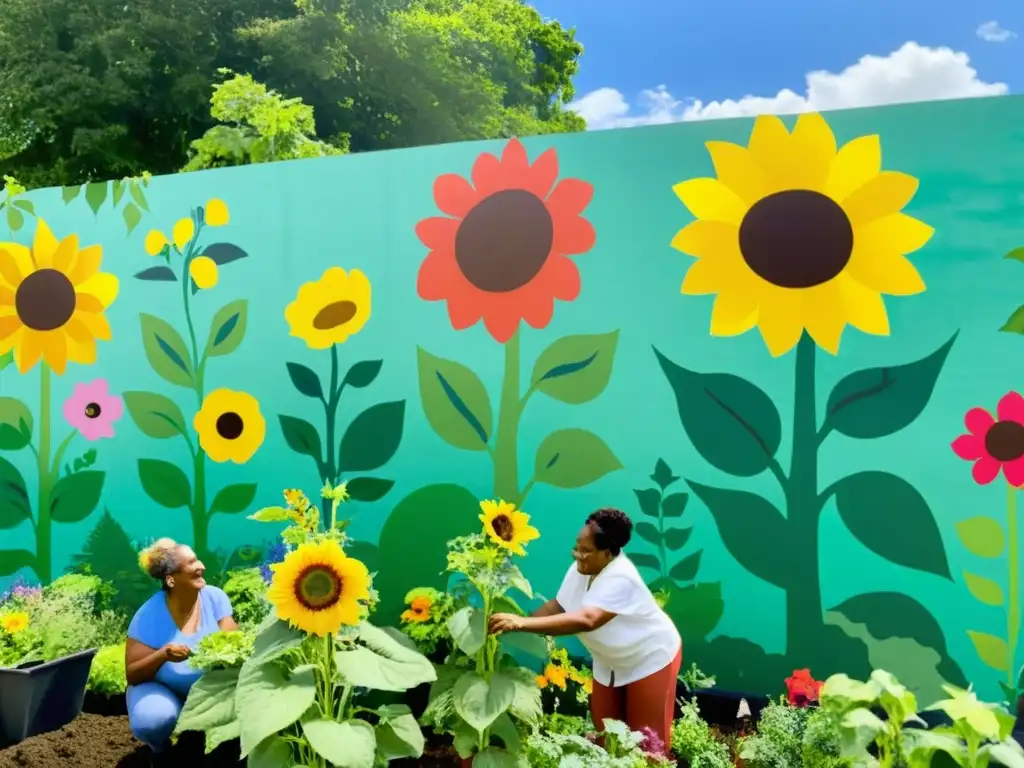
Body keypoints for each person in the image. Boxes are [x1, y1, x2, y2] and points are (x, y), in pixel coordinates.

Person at [489, 508, 682, 750]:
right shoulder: (583, 569)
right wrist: (513, 623)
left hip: (649, 658)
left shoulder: (622, 577)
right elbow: (558, 606)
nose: (577, 555)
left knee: (648, 746)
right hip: (609, 660)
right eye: (577, 547)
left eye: (586, 550)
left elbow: (587, 619)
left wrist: (521, 624)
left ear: (608, 553)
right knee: (605, 741)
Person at [125, 538, 237, 752]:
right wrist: (163, 655)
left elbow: (234, 639)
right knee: (154, 719)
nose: (201, 567)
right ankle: (160, 754)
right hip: (166, 690)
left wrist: (225, 647)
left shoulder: (215, 598)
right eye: (192, 563)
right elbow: (133, 674)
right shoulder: (147, 616)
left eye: (198, 560)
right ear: (171, 580)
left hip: (211, 689)